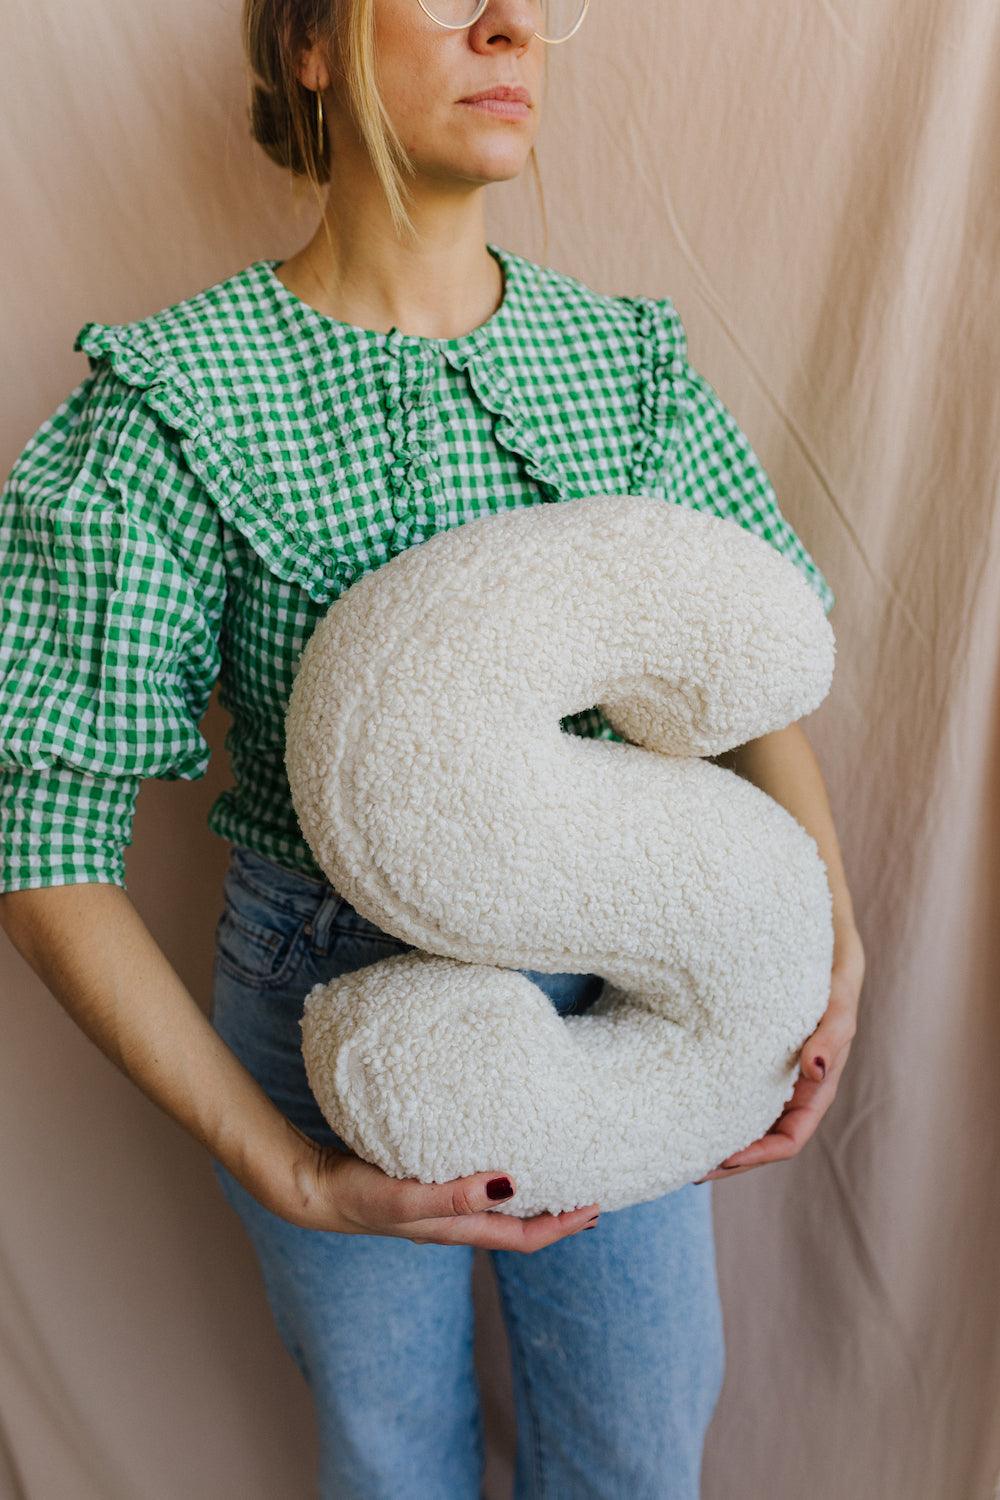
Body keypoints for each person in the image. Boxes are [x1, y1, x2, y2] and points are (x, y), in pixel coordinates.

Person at [0, 1, 865, 1495]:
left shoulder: (629, 365)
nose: (514, 24)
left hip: (636, 975)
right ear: (312, 45)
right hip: (316, 1003)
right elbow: (43, 837)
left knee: (644, 1438)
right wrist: (284, 1170)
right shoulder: (179, 401)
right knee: (386, 1449)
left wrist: (822, 944)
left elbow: (748, 683)